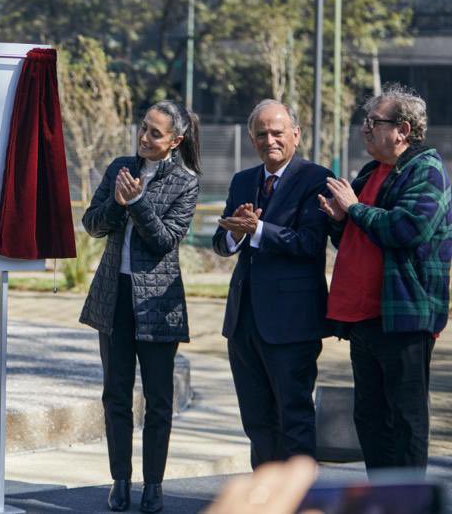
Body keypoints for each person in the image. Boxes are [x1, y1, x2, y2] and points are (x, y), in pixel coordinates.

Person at [319, 85, 450, 472]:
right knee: (370, 419)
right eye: (366, 122)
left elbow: (407, 229)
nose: (365, 129)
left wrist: (355, 209)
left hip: (403, 318)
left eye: (374, 122)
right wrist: (340, 218)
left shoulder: (427, 170)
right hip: (362, 319)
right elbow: (351, 238)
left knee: (405, 421)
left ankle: (406, 502)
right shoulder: (371, 171)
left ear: (403, 130)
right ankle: (381, 499)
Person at [80, 100, 201, 513]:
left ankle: (154, 485)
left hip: (157, 302)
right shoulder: (120, 168)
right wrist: (118, 201)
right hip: (113, 297)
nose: (145, 138)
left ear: (175, 140)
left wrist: (138, 203)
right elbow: (93, 224)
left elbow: (165, 240)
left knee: (158, 399)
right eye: (144, 129)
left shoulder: (186, 182)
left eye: (155, 133)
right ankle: (120, 480)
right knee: (115, 394)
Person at [213, 99, 331, 469]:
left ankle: (298, 500)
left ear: (295, 134)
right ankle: (265, 496)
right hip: (243, 322)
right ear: (251, 138)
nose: (270, 140)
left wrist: (260, 230)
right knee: (257, 420)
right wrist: (236, 234)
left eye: (277, 132)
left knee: (293, 418)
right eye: (261, 134)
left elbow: (310, 243)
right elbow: (222, 241)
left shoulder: (315, 179)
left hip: (291, 324)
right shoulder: (243, 181)